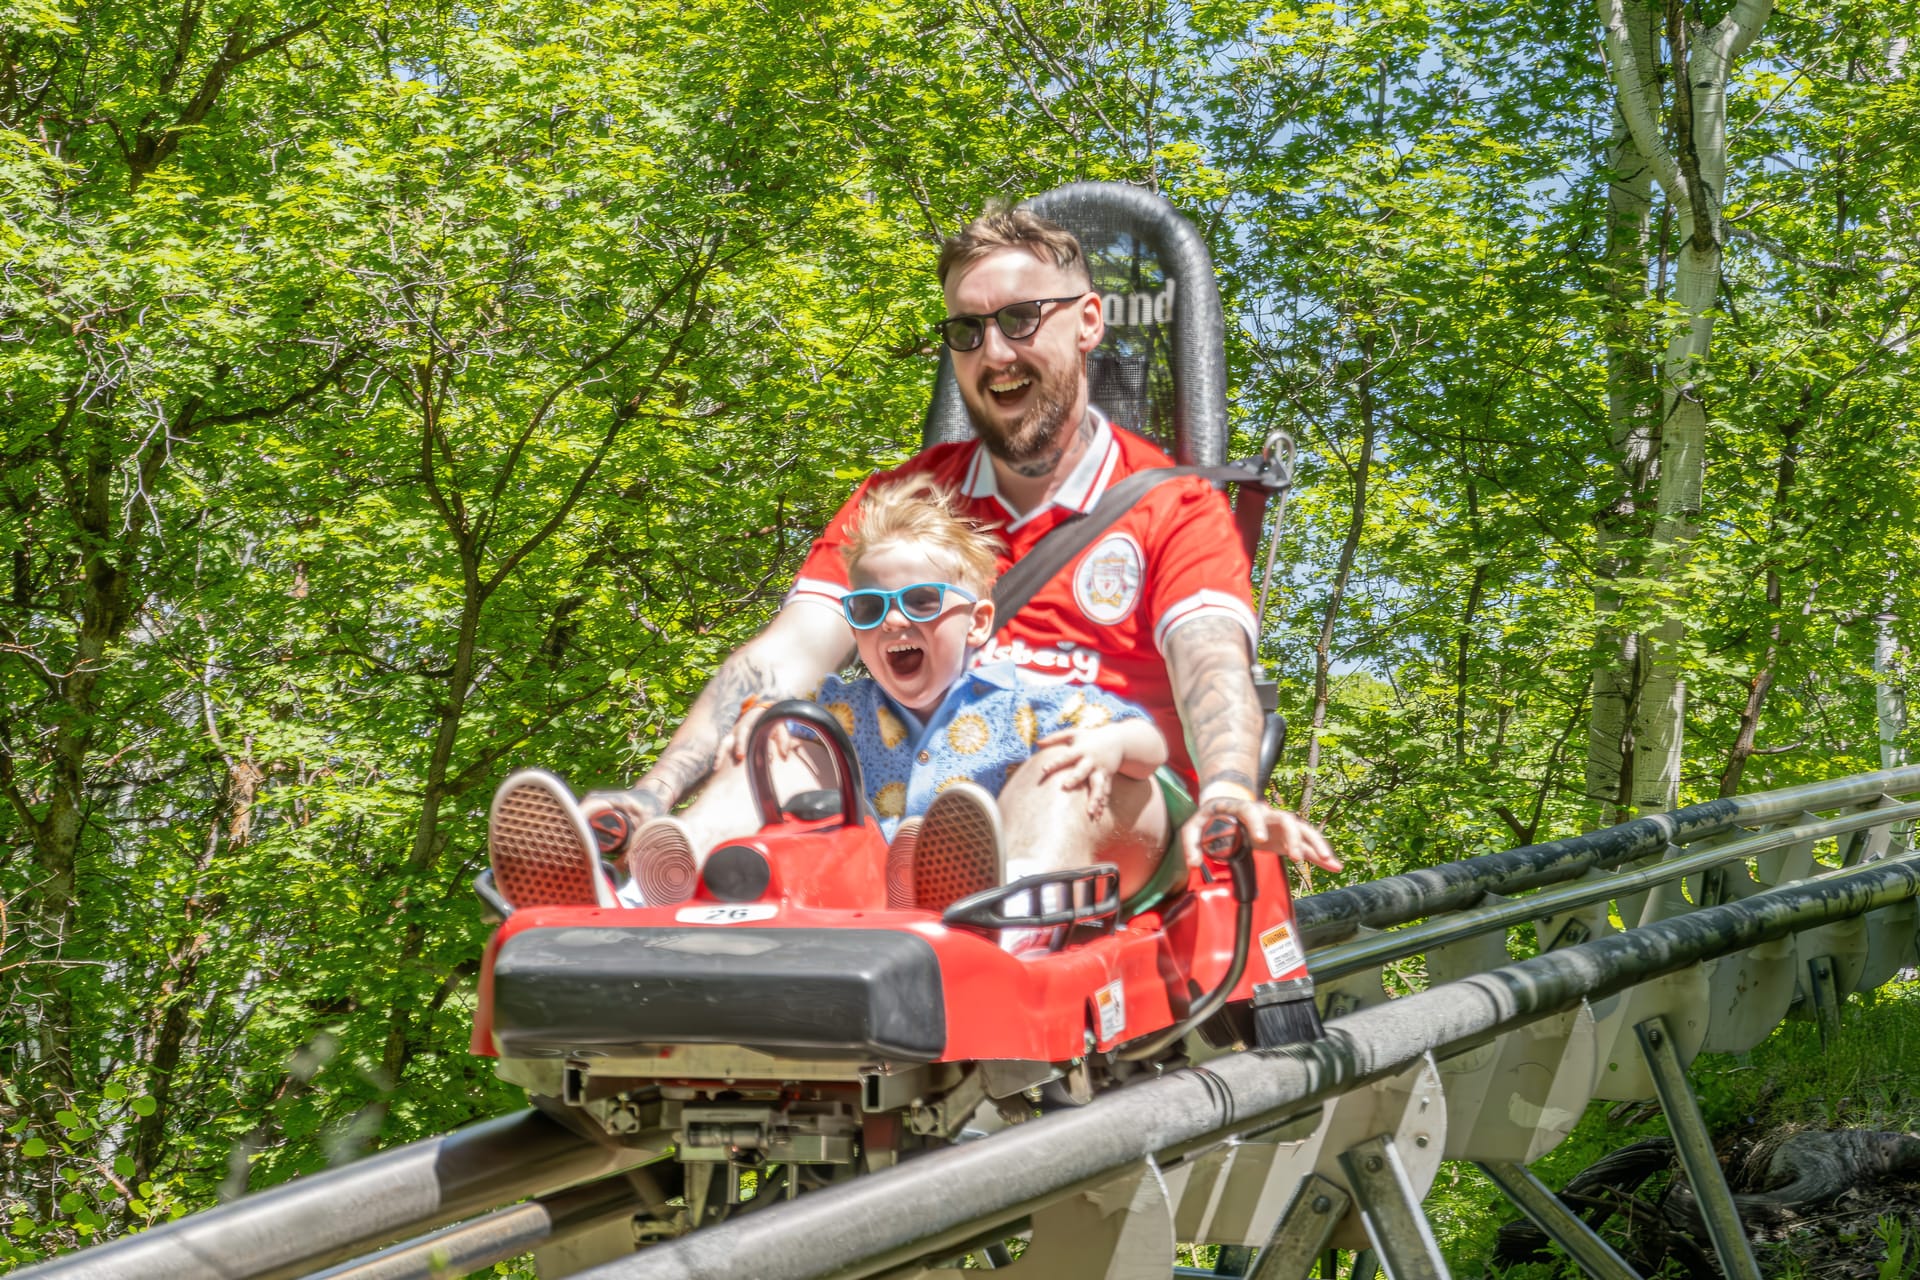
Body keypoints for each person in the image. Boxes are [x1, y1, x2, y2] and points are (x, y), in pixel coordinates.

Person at [579, 204, 1342, 900]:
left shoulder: (1173, 504)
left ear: (1088, 321)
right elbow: (787, 654)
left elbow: (1212, 664)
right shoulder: (902, 502)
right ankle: (639, 900)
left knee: (1058, 776)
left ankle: (997, 940)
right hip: (910, 792)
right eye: (968, 331)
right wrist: (656, 789)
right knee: (780, 747)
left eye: (1020, 319)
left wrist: (1230, 788)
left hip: (1109, 787)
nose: (994, 351)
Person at [615, 478, 1169, 915]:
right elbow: (775, 735)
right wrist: (763, 724)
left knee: (1062, 766)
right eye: (869, 608)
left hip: (987, 894)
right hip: (863, 887)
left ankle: (1017, 909)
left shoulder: (1022, 703)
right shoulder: (842, 711)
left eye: (922, 601)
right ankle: (656, 883)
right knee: (776, 747)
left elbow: (1150, 744)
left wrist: (1112, 745)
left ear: (977, 623)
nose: (894, 620)